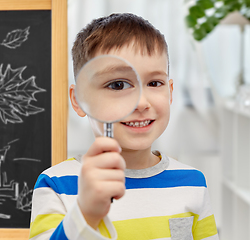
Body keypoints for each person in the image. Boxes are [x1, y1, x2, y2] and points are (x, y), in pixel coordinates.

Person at [29, 13, 219, 239]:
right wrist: (85, 214)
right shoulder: (56, 185)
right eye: (118, 85)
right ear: (79, 100)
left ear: (170, 92)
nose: (141, 102)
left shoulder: (193, 182)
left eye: (154, 83)